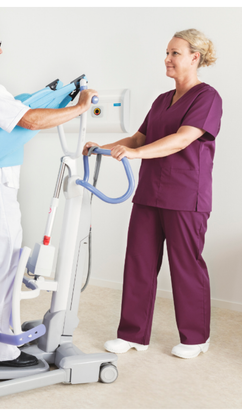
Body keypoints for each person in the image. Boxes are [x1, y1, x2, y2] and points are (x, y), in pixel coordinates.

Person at [0, 17, 97, 367]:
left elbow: (16, 111)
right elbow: (29, 120)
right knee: (6, 264)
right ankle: (2, 350)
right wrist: (77, 108)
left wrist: (49, 99)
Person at [83, 28, 222, 359]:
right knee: (139, 262)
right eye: (167, 52)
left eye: (175, 53)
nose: (168, 58)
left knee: (185, 266)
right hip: (149, 193)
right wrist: (101, 148)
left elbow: (182, 139)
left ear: (194, 57)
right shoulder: (162, 100)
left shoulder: (207, 97)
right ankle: (133, 334)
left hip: (187, 196)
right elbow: (139, 139)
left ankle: (195, 338)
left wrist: (135, 154)